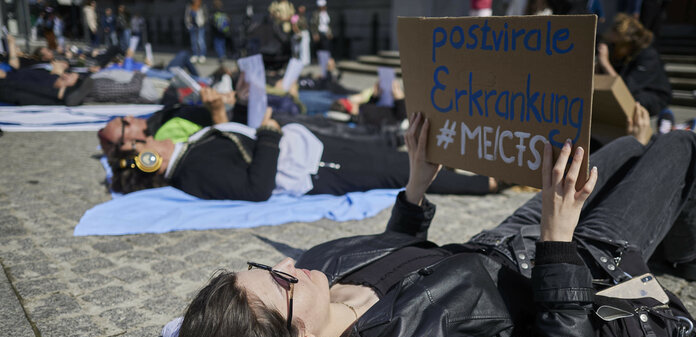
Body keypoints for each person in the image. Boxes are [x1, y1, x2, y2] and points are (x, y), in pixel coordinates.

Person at [169, 104, 696, 337]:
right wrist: (559, 235)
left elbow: (396, 256)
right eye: (279, 282)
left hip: (502, 239)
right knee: (677, 145)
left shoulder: (322, 266)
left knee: (621, 149)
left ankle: (684, 222)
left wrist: (415, 188)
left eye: (267, 265)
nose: (287, 265)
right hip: (577, 264)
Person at [99, 91, 497, 201]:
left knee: (395, 158)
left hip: (310, 151)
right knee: (401, 171)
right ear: (151, 160)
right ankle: (489, 184)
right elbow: (256, 190)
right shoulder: (193, 171)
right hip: (315, 169)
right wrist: (269, 135)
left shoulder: (186, 154)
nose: (149, 136)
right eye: (145, 145)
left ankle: (480, 170)